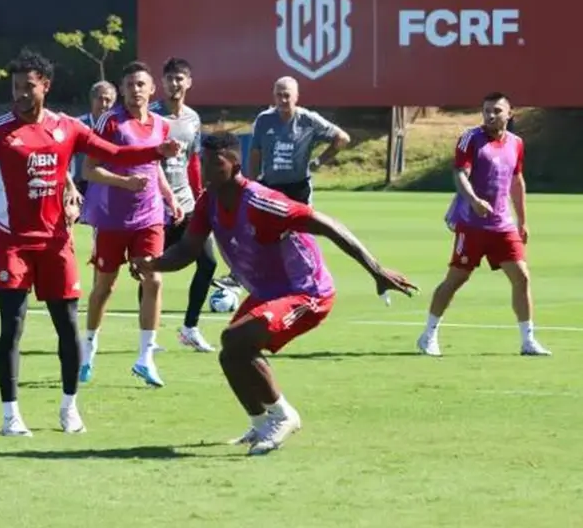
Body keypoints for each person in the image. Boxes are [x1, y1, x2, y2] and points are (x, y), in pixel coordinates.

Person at [0, 50, 180, 436]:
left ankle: (69, 408)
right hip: (10, 242)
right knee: (12, 327)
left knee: (67, 328)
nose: (21, 94)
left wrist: (155, 152)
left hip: (56, 243)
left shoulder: (67, 128)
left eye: (28, 87)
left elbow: (113, 153)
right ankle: (11, 415)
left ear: (45, 86)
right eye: (16, 88)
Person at [134, 131, 417, 456]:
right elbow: (186, 250)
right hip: (269, 292)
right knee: (230, 354)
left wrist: (376, 270)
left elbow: (326, 223)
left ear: (235, 163)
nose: (205, 171)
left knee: (237, 339)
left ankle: (284, 416)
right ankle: (259, 423)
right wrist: (153, 264)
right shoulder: (208, 201)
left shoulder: (261, 201)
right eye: (202, 163)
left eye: (215, 164)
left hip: (307, 291)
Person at [418, 92, 550, 357]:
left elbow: (516, 181)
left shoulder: (516, 143)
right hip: (471, 224)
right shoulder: (471, 139)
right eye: (487, 110)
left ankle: (528, 340)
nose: (491, 115)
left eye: (497, 111)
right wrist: (474, 200)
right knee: (456, 279)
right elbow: (459, 174)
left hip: (503, 225)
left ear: (509, 114)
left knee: (522, 277)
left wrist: (522, 220)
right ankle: (428, 335)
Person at [79, 61, 182, 388]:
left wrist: (169, 196)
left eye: (142, 84)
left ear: (152, 90)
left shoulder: (162, 126)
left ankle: (145, 357)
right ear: (122, 90)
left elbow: (155, 167)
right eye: (130, 85)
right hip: (112, 216)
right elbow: (89, 170)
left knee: (153, 280)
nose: (136, 90)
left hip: (150, 214)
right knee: (104, 287)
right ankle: (89, 347)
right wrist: (124, 183)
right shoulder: (111, 123)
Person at [213, 76, 351, 290]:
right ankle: (240, 276)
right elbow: (256, 152)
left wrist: (319, 160)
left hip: (298, 188)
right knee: (255, 233)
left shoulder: (308, 120)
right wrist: (250, 183)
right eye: (279, 94)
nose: (283, 99)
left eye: (287, 95)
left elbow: (342, 138)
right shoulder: (264, 120)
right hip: (270, 187)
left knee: (300, 236)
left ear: (296, 96)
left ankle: (310, 280)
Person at [146, 57, 218, 353]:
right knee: (152, 269)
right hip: (156, 205)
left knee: (209, 262)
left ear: (188, 82)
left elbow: (193, 160)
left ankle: (190, 328)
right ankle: (148, 339)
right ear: (161, 83)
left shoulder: (192, 119)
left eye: (180, 79)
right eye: (170, 79)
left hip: (187, 203)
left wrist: (201, 194)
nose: (174, 84)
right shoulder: (150, 116)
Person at [71, 81, 117, 198]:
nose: (103, 104)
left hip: (110, 184)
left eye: (108, 100)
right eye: (100, 99)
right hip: (83, 185)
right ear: (92, 100)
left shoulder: (118, 126)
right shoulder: (78, 124)